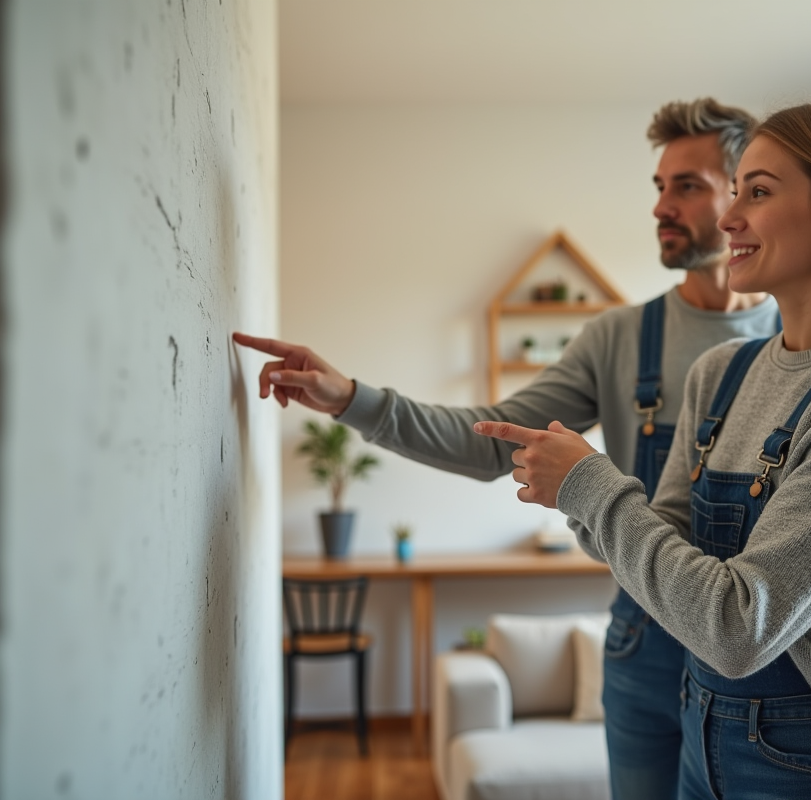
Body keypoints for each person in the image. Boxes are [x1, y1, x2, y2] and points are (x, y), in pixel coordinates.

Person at [234, 98, 781, 800]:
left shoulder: (798, 338)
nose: (660, 206)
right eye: (658, 187)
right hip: (644, 647)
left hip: (757, 653)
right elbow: (492, 439)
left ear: (743, 195)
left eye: (687, 186)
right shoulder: (620, 338)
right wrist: (350, 398)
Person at [473, 101, 811, 799]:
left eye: (758, 192)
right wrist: (575, 491)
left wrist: (588, 485)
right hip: (700, 730)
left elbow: (740, 627)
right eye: (734, 191)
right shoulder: (724, 373)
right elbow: (667, 550)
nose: (729, 217)